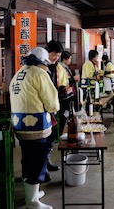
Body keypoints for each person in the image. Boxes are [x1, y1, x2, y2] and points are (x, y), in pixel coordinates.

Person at [10, 47, 58, 209]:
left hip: (20, 126)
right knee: (36, 163)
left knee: (28, 161)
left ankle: (33, 194)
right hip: (36, 128)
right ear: (43, 62)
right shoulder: (40, 74)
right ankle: (32, 202)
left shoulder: (19, 73)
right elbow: (52, 104)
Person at [45, 40, 69, 177]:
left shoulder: (55, 66)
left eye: (58, 55)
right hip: (42, 108)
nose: (56, 58)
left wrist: (62, 89)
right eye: (54, 55)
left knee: (51, 136)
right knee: (44, 137)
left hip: (53, 105)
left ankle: (47, 161)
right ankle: (43, 168)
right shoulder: (41, 66)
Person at [60, 51, 80, 131]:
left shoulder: (66, 67)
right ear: (65, 59)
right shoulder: (61, 68)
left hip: (70, 93)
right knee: (66, 113)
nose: (70, 61)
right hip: (66, 94)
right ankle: (65, 130)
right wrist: (73, 79)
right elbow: (65, 82)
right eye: (70, 59)